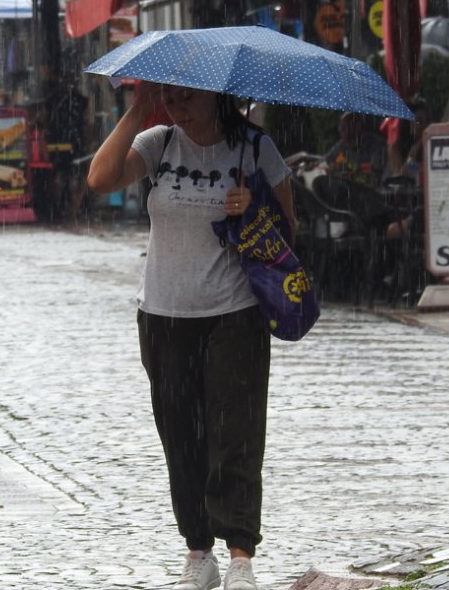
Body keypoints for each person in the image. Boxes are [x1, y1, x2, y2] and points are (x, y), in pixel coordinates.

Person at [86, 82, 293, 590]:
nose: (176, 108)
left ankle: (241, 555)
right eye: (169, 99)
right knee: (181, 437)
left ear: (215, 95)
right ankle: (198, 552)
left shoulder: (253, 147)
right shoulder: (158, 143)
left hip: (234, 314)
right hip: (163, 314)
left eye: (186, 99)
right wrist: (137, 109)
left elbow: (289, 229)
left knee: (235, 435)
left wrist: (255, 205)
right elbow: (100, 178)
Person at [322, 112, 386, 188]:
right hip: (347, 189)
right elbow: (327, 160)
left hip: (371, 189)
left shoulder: (375, 143)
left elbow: (375, 170)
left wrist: (345, 169)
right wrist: (319, 165)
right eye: (341, 128)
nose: (344, 133)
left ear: (358, 126)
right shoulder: (342, 144)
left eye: (347, 127)